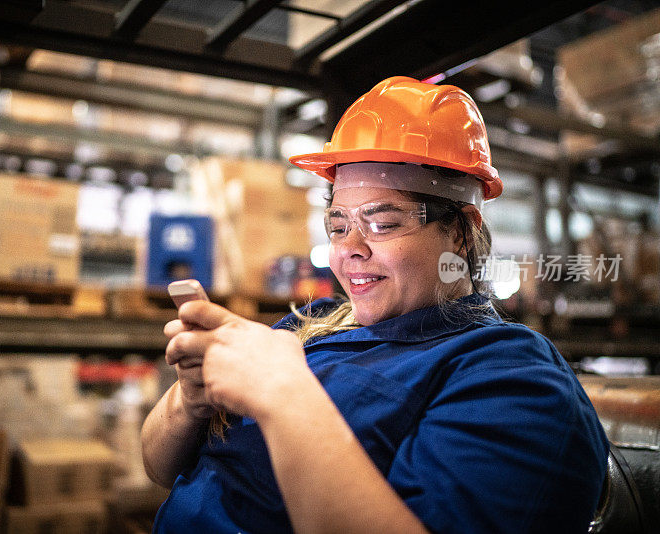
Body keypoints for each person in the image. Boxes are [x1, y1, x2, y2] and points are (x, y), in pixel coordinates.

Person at [141, 76, 609, 533]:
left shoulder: (510, 377)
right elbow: (159, 468)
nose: (349, 250)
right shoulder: (316, 324)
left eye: (383, 223)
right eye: (339, 225)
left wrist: (284, 396)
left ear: (461, 233)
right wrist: (189, 401)